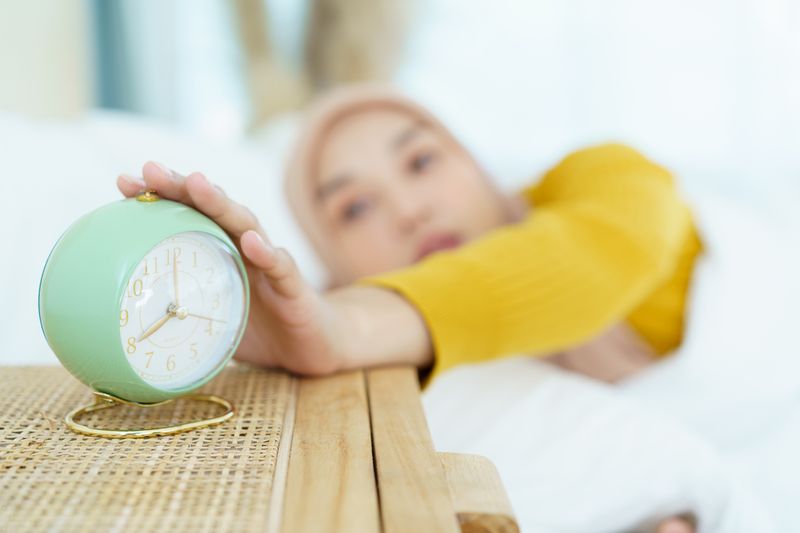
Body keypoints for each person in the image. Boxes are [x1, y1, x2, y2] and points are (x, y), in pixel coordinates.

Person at [117, 85, 712, 532]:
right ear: (336, 265)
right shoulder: (368, 359)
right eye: (354, 208)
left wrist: (347, 326)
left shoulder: (606, 177)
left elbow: (594, 258)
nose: (408, 210)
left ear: (475, 163)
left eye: (422, 161)